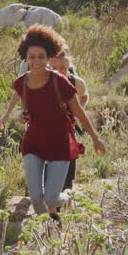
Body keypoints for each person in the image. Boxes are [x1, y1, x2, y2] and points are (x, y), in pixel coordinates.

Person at [0, 25, 106, 219]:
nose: (37, 61)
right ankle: (46, 229)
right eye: (32, 57)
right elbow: (20, 101)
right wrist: (12, 116)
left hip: (60, 143)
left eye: (41, 56)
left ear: (49, 57)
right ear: (25, 58)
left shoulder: (59, 82)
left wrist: (96, 139)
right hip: (34, 143)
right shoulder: (21, 82)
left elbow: (79, 113)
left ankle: (68, 196)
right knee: (36, 197)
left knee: (51, 198)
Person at [50, 49, 88, 192]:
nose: (58, 72)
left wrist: (78, 111)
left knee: (69, 162)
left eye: (62, 68)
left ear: (69, 66)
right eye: (54, 68)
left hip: (67, 128)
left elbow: (84, 96)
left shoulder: (75, 82)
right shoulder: (42, 81)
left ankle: (66, 194)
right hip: (46, 129)